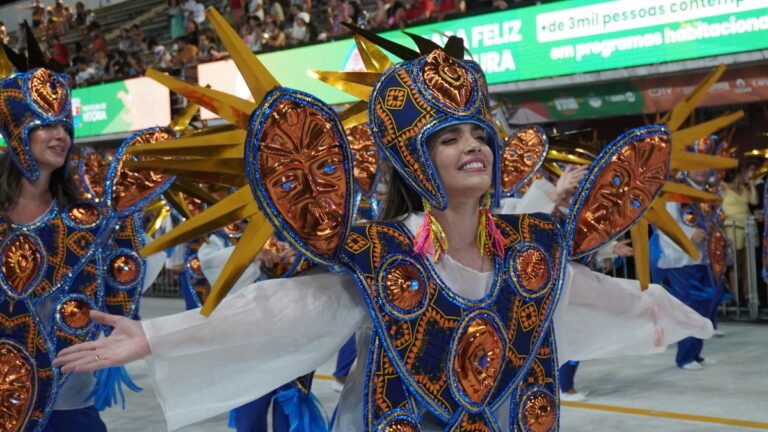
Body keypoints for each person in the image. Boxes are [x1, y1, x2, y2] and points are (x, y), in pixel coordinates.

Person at [54, 20, 712, 431]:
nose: (471, 147)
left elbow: (600, 298)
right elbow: (283, 311)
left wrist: (672, 317)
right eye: (448, 138)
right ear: (417, 163)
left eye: (477, 133)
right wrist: (159, 336)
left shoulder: (533, 247)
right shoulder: (384, 254)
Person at [0, 28, 169, 431]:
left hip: (71, 402)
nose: (61, 136)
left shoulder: (89, 219)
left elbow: (118, 290)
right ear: (19, 134)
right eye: (47, 126)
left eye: (66, 128)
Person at [721, 165, 760, 303]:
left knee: (748, 263)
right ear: (736, 175)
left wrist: (751, 184)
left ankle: (748, 295)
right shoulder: (723, 188)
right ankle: (736, 295)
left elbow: (754, 201)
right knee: (735, 263)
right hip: (732, 228)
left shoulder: (744, 189)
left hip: (748, 228)